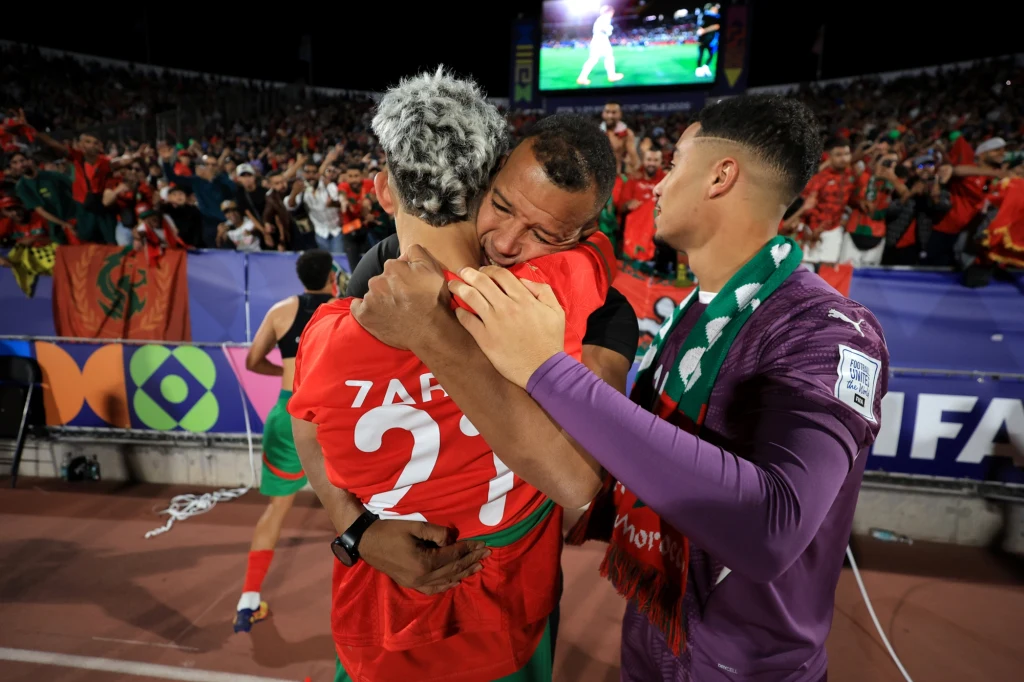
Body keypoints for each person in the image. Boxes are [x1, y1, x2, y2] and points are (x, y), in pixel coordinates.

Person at [364, 94, 890, 682]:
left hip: (747, 668)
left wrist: (545, 370)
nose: (656, 186)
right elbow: (632, 468)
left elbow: (772, 529)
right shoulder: (695, 315)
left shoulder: (829, 329)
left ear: (720, 176)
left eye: (674, 164)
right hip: (651, 635)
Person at [287, 68, 619, 682]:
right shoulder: (553, 290)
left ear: (382, 191)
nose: (514, 241)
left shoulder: (329, 330)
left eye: (542, 232)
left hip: (379, 625)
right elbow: (580, 488)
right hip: (505, 620)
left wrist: (357, 528)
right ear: (490, 185)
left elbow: (303, 424)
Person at [233, 249, 336, 634]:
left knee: (276, 510)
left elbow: (253, 361)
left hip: (288, 413)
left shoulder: (281, 311)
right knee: (356, 507)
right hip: (331, 415)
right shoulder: (344, 309)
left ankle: (247, 600)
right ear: (332, 278)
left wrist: (285, 372)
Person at [576, 5, 624, 86]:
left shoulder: (601, 18)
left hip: (598, 40)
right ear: (610, 12)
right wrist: (609, 29)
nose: (612, 14)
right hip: (601, 41)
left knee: (604, 58)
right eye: (612, 12)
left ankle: (582, 77)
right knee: (601, 58)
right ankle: (611, 75)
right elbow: (603, 29)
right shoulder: (605, 18)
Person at [694, 3, 721, 79]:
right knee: (704, 54)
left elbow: (716, 26)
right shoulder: (711, 16)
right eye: (715, 8)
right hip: (707, 39)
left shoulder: (704, 15)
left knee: (708, 54)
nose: (716, 10)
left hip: (709, 39)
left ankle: (704, 68)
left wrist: (704, 30)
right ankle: (701, 69)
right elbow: (716, 26)